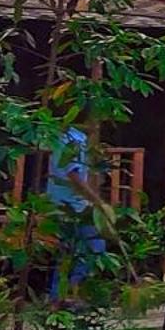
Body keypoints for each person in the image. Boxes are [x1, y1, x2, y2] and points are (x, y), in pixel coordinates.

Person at [46, 125, 104, 298]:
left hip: (62, 203)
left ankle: (61, 296)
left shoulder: (62, 136)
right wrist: (97, 201)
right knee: (94, 248)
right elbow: (74, 176)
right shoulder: (72, 140)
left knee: (67, 253)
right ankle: (67, 293)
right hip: (70, 206)